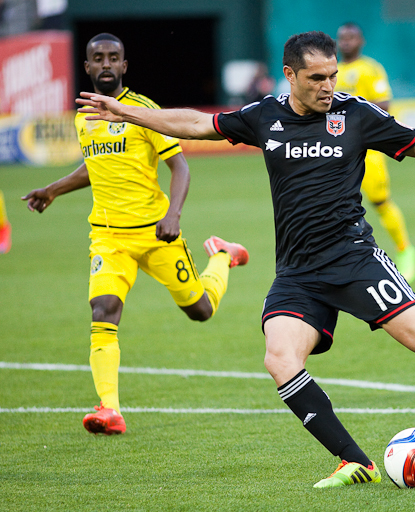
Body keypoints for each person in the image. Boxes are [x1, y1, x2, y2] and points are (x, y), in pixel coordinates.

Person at [76, 31, 415, 487]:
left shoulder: (356, 115)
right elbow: (193, 123)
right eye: (317, 78)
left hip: (353, 258)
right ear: (290, 75)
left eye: (333, 75)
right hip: (297, 272)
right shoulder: (264, 116)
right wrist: (128, 112)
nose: (328, 86)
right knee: (279, 359)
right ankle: (354, 461)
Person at [22, 33, 249, 436]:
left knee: (200, 310)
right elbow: (95, 167)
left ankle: (222, 255)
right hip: (108, 237)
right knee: (103, 310)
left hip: (156, 234)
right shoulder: (83, 117)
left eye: (114, 57)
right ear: (87, 66)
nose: (106, 64)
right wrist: (53, 190)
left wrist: (173, 214)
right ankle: (109, 409)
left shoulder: (142, 111)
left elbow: (180, 166)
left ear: (124, 66)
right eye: (98, 58)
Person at [336, 22, 415, 283]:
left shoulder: (370, 69)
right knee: (335, 205)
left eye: (351, 37)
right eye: (342, 38)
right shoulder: (332, 71)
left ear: (361, 41)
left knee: (380, 201)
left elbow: (384, 104)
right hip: (337, 150)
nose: (346, 42)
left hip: (368, 149)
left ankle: (405, 249)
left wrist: (351, 115)